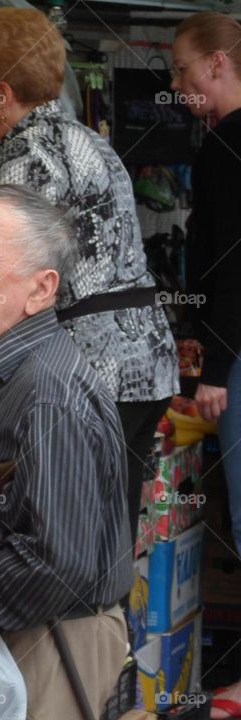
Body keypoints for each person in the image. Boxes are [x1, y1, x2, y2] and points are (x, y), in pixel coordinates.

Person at [0, 7, 179, 545]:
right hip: (141, 362)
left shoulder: (25, 154)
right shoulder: (84, 139)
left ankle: (73, 631)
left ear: (2, 93)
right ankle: (104, 629)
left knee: (63, 535)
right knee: (107, 531)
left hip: (91, 368)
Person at [0, 184, 133, 719]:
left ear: (41, 290)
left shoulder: (50, 393)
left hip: (46, 646)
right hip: (2, 640)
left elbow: (53, 566)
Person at [170, 13, 241, 718]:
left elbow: (230, 264)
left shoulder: (226, 146)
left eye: (185, 72)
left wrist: (213, 366)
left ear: (218, 64)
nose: (179, 87)